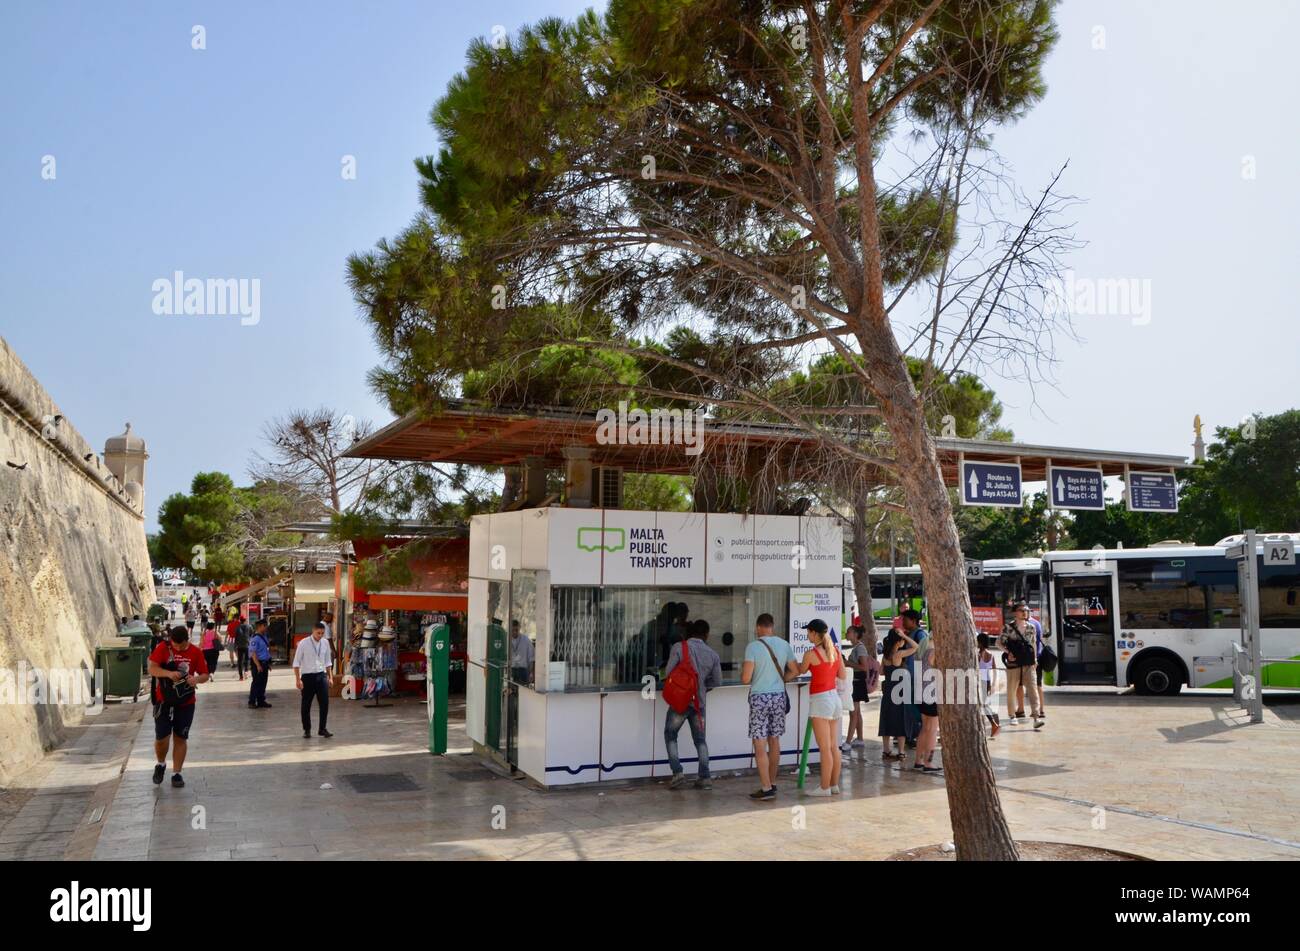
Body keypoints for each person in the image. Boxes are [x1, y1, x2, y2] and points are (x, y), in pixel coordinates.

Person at [740, 613, 799, 801]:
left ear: (758, 627)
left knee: (759, 743)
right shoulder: (784, 644)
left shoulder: (753, 647)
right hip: (779, 698)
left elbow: (746, 678)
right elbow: (795, 671)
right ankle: (772, 783)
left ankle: (765, 788)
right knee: (775, 740)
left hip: (759, 698)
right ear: (772, 627)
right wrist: (782, 680)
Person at [146, 624, 210, 788]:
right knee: (162, 738)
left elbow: (205, 674)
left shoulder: (195, 652)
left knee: (181, 738)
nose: (175, 647)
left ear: (185, 641)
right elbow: (152, 668)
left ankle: (177, 773)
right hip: (164, 701)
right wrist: (168, 674)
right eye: (173, 644)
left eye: (178, 645)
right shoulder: (163, 648)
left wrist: (195, 680)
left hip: (186, 702)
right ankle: (160, 764)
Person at [662, 619, 722, 789]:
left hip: (680, 702)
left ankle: (678, 773)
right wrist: (702, 688)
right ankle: (705, 777)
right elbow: (717, 681)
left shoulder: (679, 648)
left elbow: (667, 673)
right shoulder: (712, 654)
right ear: (706, 634)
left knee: (670, 735)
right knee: (700, 740)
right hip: (699, 703)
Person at [798, 619, 847, 796]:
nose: (807, 635)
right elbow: (842, 674)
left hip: (820, 700)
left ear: (814, 633)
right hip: (834, 699)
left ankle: (824, 787)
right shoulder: (835, 651)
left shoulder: (811, 654)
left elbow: (800, 670)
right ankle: (834, 785)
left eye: (808, 632)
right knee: (834, 747)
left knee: (824, 748)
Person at [1000, 603, 1043, 728]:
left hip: (1028, 664)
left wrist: (1035, 659)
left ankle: (1036, 717)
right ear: (1015, 612)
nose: (1025, 612)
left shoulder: (1031, 627)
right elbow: (999, 643)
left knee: (1033, 690)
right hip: (1014, 664)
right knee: (1011, 690)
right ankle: (1012, 715)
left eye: (1026, 610)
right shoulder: (1008, 627)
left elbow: (1033, 644)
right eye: (1022, 610)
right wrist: (1008, 653)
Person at [877, 628, 917, 761]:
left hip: (888, 691)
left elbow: (881, 672)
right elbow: (916, 647)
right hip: (900, 693)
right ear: (899, 641)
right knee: (901, 720)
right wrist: (905, 635)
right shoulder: (899, 654)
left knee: (886, 719)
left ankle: (886, 750)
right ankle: (900, 751)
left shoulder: (886, 656)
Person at [294, 621, 334, 738]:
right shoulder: (303, 643)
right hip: (307, 677)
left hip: (321, 676)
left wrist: (330, 677)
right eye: (318, 633)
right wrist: (298, 679)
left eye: (322, 633)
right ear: (313, 631)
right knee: (306, 705)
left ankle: (322, 728)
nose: (320, 635)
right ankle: (307, 729)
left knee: (324, 704)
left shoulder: (325, 643)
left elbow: (328, 662)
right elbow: (296, 663)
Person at [911, 619, 941, 773]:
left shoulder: (923, 648)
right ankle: (929, 763)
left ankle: (919, 761)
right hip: (932, 694)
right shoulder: (934, 652)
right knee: (932, 730)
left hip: (921, 693)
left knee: (925, 728)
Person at [843, 625, 879, 751]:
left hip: (857, 683)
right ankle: (860, 739)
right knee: (857, 712)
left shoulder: (860, 648)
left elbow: (864, 667)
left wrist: (847, 663)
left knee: (853, 712)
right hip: (856, 682)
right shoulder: (857, 648)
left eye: (849, 632)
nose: (846, 633)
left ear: (855, 634)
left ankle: (847, 742)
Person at [899, 609, 927, 746]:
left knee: (915, 707)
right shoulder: (910, 634)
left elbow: (924, 652)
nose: (903, 622)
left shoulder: (920, 634)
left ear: (913, 621)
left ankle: (919, 734)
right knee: (909, 706)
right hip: (909, 676)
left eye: (905, 619)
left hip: (917, 677)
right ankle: (912, 735)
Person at [977, 634, 1001, 738]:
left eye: (977, 641)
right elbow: (994, 670)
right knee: (985, 703)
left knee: (983, 705)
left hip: (980, 681)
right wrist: (993, 684)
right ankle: (996, 723)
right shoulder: (991, 654)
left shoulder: (979, 655)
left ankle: (994, 724)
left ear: (980, 643)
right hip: (987, 681)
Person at [248, 619, 273, 709]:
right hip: (257, 664)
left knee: (263, 683)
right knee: (256, 683)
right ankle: (251, 701)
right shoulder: (255, 638)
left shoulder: (264, 637)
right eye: (265, 626)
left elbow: (266, 650)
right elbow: (253, 653)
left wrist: (268, 663)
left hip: (264, 663)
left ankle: (261, 701)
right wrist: (258, 665)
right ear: (260, 626)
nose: (266, 628)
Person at [509, 620, 535, 685]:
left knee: (523, 693)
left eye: (516, 630)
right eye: (512, 630)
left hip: (523, 671)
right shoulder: (507, 639)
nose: (514, 632)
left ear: (519, 628)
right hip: (511, 670)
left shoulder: (526, 640)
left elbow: (531, 657)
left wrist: (531, 672)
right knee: (511, 692)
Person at [234, 616, 251, 681]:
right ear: (245, 620)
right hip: (247, 645)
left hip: (239, 646)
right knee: (247, 659)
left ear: (240, 620)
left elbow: (236, 638)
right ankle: (246, 671)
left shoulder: (237, 628)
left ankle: (241, 676)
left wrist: (235, 647)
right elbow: (251, 635)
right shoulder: (249, 627)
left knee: (240, 661)